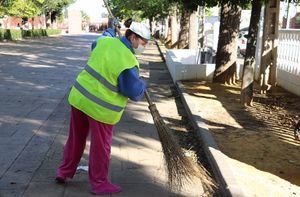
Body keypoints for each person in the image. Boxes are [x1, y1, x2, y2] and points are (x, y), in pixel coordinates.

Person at [55, 22, 150, 195]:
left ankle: (64, 172)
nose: (144, 47)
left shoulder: (106, 41)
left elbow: (97, 42)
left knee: (75, 139)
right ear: (132, 37)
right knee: (101, 147)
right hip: (101, 110)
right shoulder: (128, 61)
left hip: (79, 99)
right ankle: (99, 184)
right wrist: (143, 85)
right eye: (143, 43)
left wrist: (109, 31)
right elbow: (133, 92)